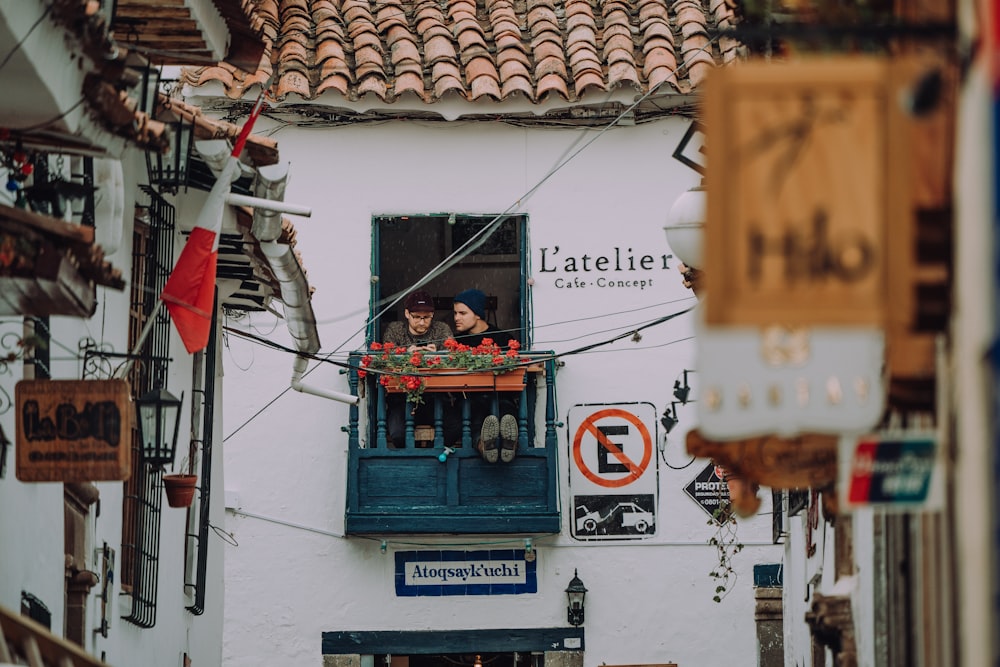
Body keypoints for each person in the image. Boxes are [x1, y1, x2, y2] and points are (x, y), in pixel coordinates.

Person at [451, 288, 520, 464]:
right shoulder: (456, 342)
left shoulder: (503, 339)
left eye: (462, 313)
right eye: (455, 313)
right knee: (476, 413)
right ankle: (483, 444)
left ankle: (508, 443)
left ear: (478, 314)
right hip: (469, 398)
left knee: (506, 410)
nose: (456, 318)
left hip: (499, 395)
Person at [382, 290, 453, 447]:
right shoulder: (395, 330)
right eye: (417, 317)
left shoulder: (441, 329)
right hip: (401, 399)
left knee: (454, 428)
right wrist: (406, 354)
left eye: (426, 317)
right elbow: (386, 357)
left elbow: (453, 358)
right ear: (407, 314)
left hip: (435, 398)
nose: (422, 322)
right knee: (397, 434)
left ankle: (432, 455)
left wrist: (437, 356)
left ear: (432, 315)